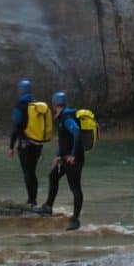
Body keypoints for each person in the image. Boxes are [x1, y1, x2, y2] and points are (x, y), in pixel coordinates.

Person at [32, 91, 84, 230]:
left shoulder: (66, 117)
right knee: (53, 176)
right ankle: (48, 207)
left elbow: (77, 132)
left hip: (73, 160)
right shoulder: (62, 117)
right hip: (65, 158)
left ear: (54, 104)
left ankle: (75, 219)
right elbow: (64, 140)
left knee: (75, 187)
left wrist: (73, 155)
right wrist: (58, 156)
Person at [8, 79, 44, 208]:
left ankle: (31, 201)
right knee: (32, 172)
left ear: (20, 90)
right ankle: (33, 199)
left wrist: (11, 146)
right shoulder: (36, 104)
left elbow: (16, 126)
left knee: (28, 172)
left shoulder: (19, 105)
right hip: (38, 144)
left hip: (25, 144)